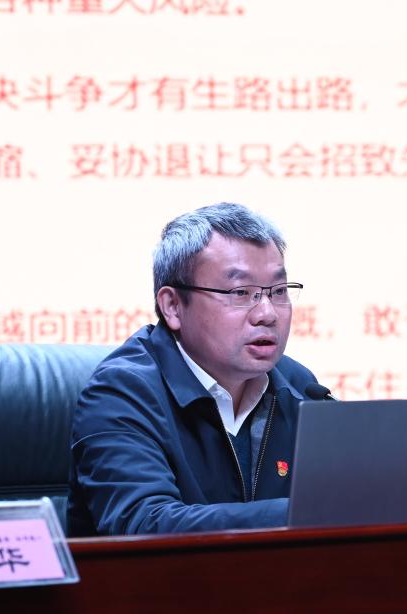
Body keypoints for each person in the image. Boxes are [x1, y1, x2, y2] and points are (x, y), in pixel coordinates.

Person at [67, 202, 319, 536]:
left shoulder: (298, 385)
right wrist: (307, 512)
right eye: (241, 292)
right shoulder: (120, 395)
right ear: (172, 306)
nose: (267, 313)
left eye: (279, 292)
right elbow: (144, 524)